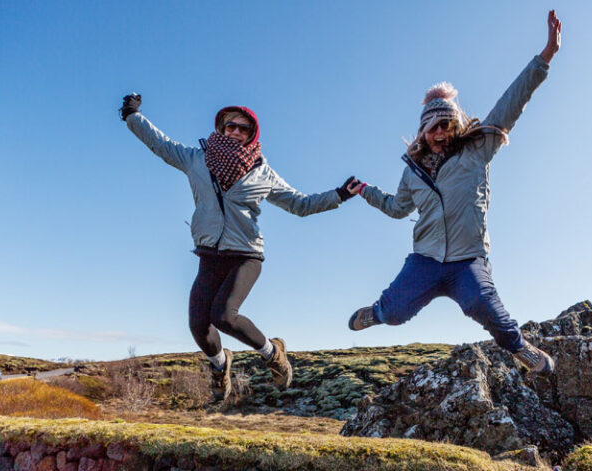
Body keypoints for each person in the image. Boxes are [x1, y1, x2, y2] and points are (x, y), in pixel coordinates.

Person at [347, 11, 562, 375]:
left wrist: (545, 57)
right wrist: (365, 191)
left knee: (483, 304)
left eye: (446, 125)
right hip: (426, 260)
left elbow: (512, 101)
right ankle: (378, 312)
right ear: (423, 131)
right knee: (396, 312)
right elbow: (397, 208)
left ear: (456, 125)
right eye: (433, 128)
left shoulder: (477, 150)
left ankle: (520, 347)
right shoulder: (412, 172)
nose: (440, 133)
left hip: (468, 259)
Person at [119, 96, 358, 401]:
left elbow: (300, 204)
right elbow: (160, 144)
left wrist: (339, 195)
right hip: (210, 254)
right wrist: (132, 116)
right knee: (198, 325)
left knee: (224, 315)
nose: (235, 131)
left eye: (243, 128)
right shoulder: (197, 159)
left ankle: (273, 353)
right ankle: (220, 365)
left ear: (251, 134)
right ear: (221, 127)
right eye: (230, 125)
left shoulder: (262, 172)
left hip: (246, 255)